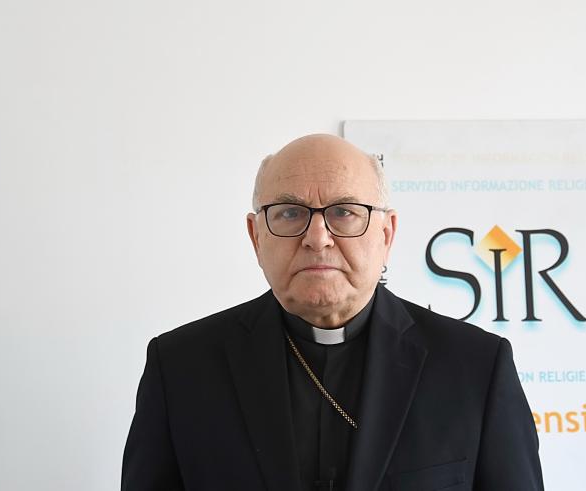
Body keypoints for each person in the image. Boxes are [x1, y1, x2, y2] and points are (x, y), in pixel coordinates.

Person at [121, 134, 544, 491]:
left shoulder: (475, 367)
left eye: (344, 212)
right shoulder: (180, 367)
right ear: (256, 236)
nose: (317, 237)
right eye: (289, 214)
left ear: (386, 233)